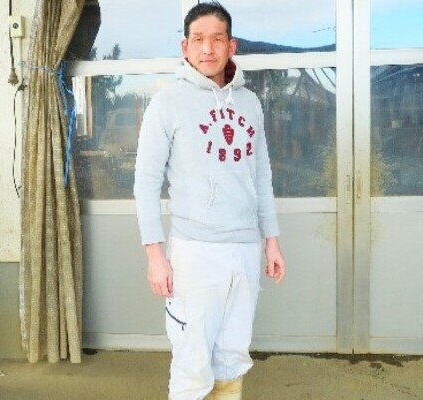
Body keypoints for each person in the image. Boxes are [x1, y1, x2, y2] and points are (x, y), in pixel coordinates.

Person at [133, 2, 286, 399]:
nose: (207, 48)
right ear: (185, 47)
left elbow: (261, 175)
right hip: (195, 253)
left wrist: (271, 240)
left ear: (231, 46)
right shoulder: (166, 104)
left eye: (217, 39)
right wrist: (155, 255)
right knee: (192, 361)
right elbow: (146, 183)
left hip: (244, 249)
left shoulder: (249, 103)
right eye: (198, 39)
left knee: (233, 354)